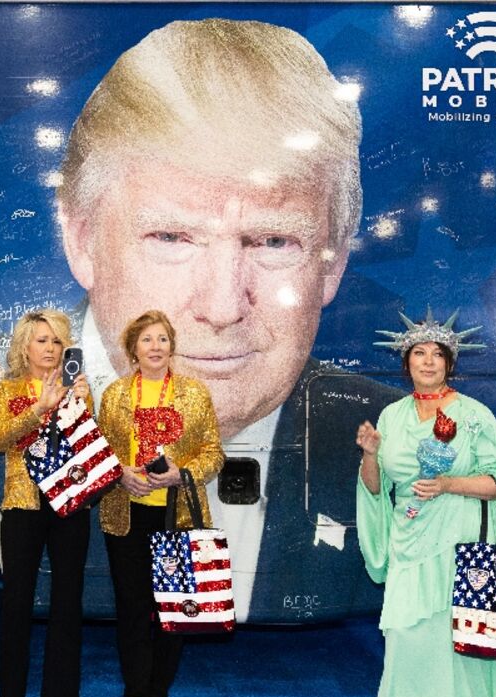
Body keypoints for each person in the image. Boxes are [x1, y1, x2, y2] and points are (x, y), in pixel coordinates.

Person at [56, 17, 402, 622]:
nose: (220, 308)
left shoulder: (389, 436)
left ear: (333, 265)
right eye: (171, 236)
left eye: (272, 241)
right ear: (82, 241)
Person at [354, 311, 496, 697]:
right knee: (405, 637)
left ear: (449, 364)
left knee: (463, 646)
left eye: (438, 354)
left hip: (462, 547)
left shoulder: (474, 415)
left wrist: (448, 484)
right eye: (419, 353)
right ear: (407, 364)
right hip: (408, 544)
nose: (428, 361)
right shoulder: (391, 416)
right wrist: (369, 454)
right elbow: (374, 487)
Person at [96, 311, 225, 697]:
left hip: (178, 517)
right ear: (133, 348)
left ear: (172, 347)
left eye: (163, 339)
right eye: (147, 340)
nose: (155, 347)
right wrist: (121, 476)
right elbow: (100, 456)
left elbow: (214, 453)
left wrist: (181, 474)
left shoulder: (194, 394)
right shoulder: (115, 395)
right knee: (132, 611)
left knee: (174, 610)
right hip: (127, 519)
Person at [0, 309, 91, 697]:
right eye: (42, 340)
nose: (50, 348)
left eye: (57, 341)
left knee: (67, 607)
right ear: (24, 346)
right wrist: (37, 408)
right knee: (16, 607)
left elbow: (88, 449)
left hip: (70, 505)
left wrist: (80, 405)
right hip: (23, 506)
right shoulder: (8, 389)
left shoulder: (77, 388)